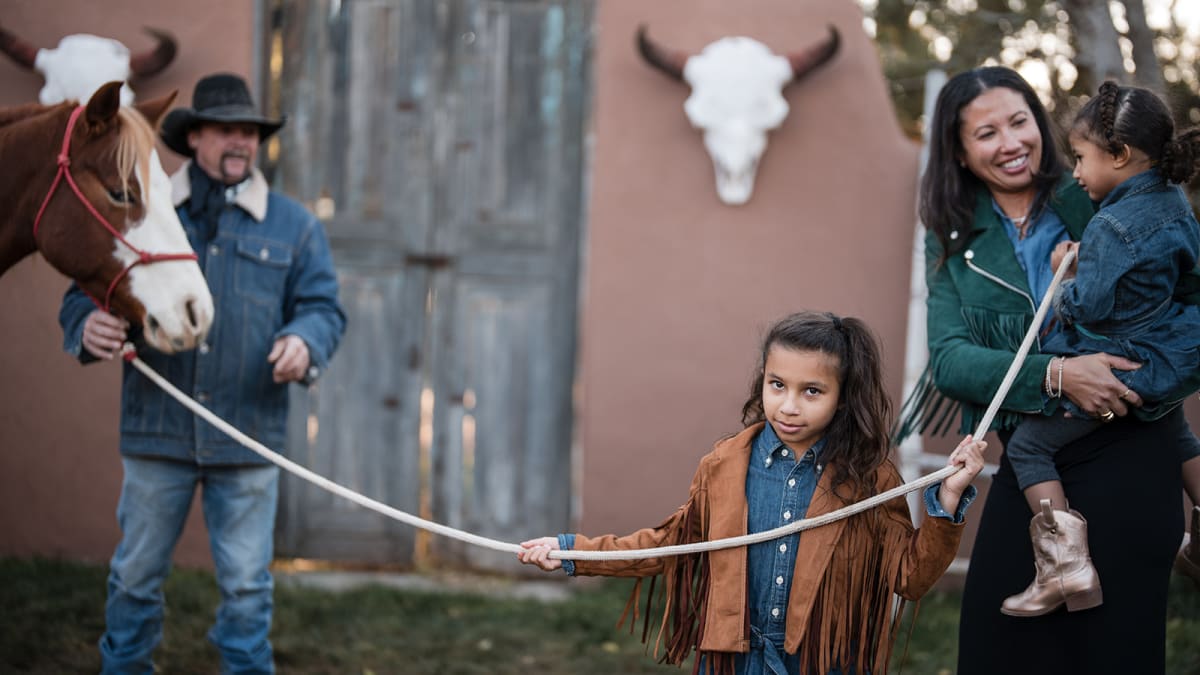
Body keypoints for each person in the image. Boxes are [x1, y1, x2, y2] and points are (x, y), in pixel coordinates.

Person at [904, 65, 1200, 674]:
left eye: (1019, 122)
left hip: (1132, 445)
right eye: (986, 133)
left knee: (1116, 649)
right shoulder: (952, 235)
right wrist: (1059, 374)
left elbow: (1177, 290)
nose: (1010, 142)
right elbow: (952, 360)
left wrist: (1147, 372)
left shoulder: (1099, 191)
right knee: (993, 647)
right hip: (1037, 452)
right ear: (958, 150)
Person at [58, 72, 346, 674]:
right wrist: (86, 324)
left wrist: (304, 340)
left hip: (248, 435)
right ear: (195, 140)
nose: (240, 142)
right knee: (135, 576)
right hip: (157, 433)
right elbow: (85, 285)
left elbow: (323, 308)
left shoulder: (294, 226)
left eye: (250, 132)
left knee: (246, 585)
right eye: (225, 131)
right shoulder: (143, 206)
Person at [518, 311, 986, 674]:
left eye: (811, 391)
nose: (788, 405)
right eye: (777, 385)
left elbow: (911, 577)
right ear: (762, 379)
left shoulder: (869, 478)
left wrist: (946, 501)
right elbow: (672, 545)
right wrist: (573, 552)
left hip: (823, 662)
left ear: (843, 397)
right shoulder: (723, 465)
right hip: (733, 660)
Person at [999, 81, 1200, 618]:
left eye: (1083, 158)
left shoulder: (1110, 224)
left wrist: (1063, 271)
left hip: (1118, 365)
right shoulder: (1174, 202)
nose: (1078, 172)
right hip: (1170, 356)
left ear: (1120, 155)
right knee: (1180, 433)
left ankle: (1065, 568)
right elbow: (1185, 279)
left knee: (1027, 449)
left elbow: (1087, 307)